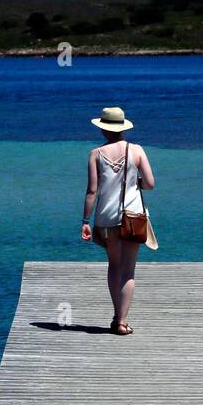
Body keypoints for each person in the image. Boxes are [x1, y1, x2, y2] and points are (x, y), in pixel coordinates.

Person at [81, 106, 155, 335]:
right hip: (133, 215)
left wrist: (85, 220)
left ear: (103, 129)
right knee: (128, 270)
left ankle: (116, 316)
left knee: (114, 265)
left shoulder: (95, 154)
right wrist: (135, 184)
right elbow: (151, 184)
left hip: (106, 216)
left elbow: (92, 191)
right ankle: (121, 321)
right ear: (123, 128)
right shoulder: (137, 150)